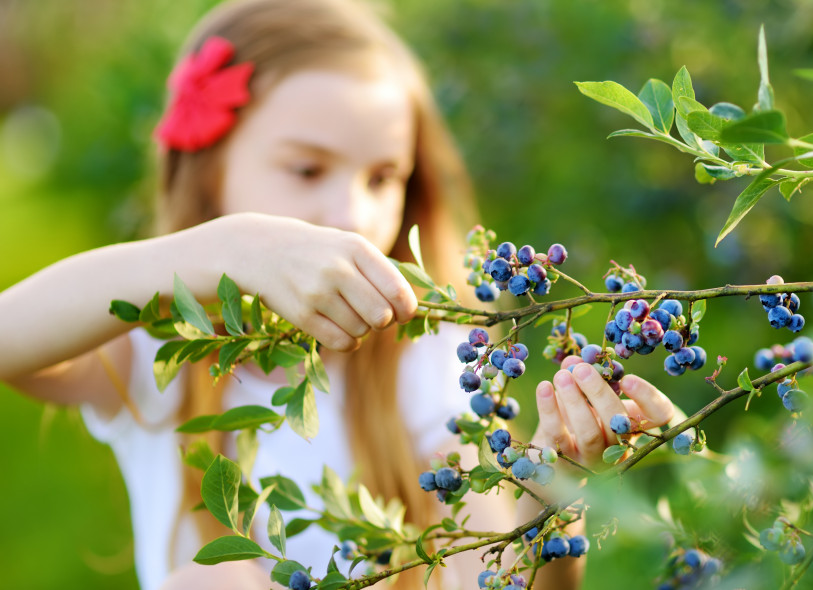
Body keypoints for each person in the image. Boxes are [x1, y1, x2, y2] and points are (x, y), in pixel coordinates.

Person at [0, 0, 676, 588]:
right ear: (211, 173)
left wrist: (554, 488)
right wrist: (220, 251)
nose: (353, 214)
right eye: (307, 167)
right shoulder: (163, 347)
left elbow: (496, 580)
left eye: (382, 178)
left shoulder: (427, 358)